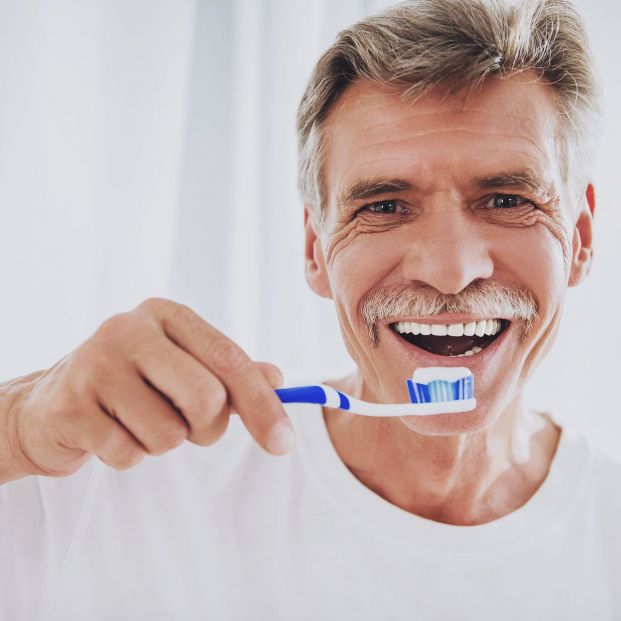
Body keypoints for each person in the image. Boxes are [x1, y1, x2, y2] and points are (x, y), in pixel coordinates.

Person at [1, 0, 619, 619]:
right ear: (315, 249)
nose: (450, 269)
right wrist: (17, 429)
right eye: (383, 207)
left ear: (580, 239)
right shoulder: (119, 475)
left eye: (507, 198)